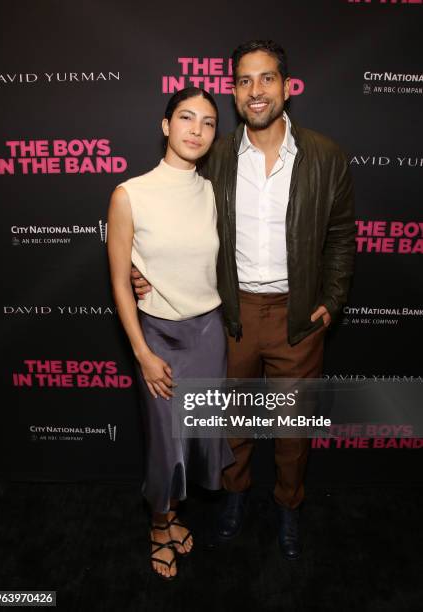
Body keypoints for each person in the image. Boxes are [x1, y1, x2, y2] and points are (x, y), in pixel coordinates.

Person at [132, 40, 356, 561]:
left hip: (298, 316)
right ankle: (233, 499)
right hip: (229, 315)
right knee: (232, 423)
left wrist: (333, 298)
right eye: (244, 82)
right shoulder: (215, 155)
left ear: (286, 85)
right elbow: (170, 215)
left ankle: (287, 506)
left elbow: (343, 233)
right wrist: (138, 268)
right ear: (234, 92)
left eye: (267, 79)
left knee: (292, 428)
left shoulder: (326, 155)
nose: (256, 92)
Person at [107, 87, 234, 580]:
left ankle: (174, 515)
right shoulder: (130, 194)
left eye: (207, 122)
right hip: (158, 337)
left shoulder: (213, 190)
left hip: (209, 334)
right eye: (186, 117)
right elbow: (120, 281)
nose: (196, 130)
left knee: (195, 439)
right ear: (165, 125)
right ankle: (158, 527)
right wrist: (140, 351)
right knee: (164, 443)